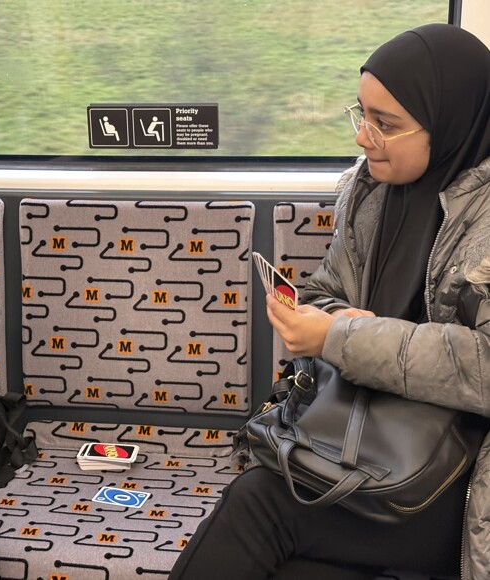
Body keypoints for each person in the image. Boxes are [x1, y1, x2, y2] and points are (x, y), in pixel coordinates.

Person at [169, 23, 490, 580]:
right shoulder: (369, 194)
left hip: (449, 483)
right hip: (361, 440)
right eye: (361, 113)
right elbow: (327, 292)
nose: (363, 137)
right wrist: (331, 320)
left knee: (257, 505)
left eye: (385, 124)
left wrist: (345, 339)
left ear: (449, 124)